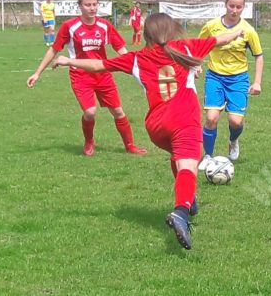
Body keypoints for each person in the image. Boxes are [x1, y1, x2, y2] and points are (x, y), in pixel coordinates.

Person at [53, 13, 245, 250]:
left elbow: (98, 65)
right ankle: (182, 212)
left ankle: (189, 198)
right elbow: (220, 40)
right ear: (172, 30)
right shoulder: (184, 47)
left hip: (156, 126)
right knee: (189, 164)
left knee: (179, 156)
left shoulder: (137, 57)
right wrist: (237, 32)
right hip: (183, 118)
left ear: (146, 36)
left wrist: (68, 61)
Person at [26, 0, 147, 156]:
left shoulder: (105, 25)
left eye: (94, 4)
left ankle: (130, 145)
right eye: (87, 5)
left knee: (118, 111)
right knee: (90, 112)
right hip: (80, 76)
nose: (92, 8)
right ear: (80, 6)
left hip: (103, 75)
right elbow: (54, 50)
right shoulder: (70, 26)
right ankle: (89, 141)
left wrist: (136, 68)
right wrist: (37, 73)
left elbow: (121, 49)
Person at [198, 0, 263, 168]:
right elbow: (199, 47)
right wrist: (197, 64)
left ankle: (233, 141)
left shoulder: (249, 31)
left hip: (238, 79)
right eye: (231, 5)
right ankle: (208, 156)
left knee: (235, 121)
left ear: (244, 7)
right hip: (215, 77)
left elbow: (258, 56)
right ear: (225, 4)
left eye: (239, 7)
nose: (234, 10)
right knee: (211, 118)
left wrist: (257, 82)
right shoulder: (211, 26)